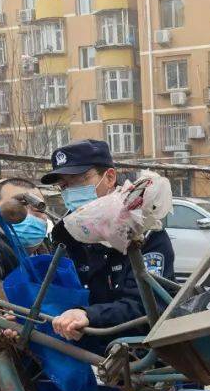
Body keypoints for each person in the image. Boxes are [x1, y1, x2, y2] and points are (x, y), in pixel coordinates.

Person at [40, 139, 175, 343]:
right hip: (82, 347)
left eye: (78, 181)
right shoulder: (66, 234)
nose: (70, 192)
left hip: (136, 353)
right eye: (64, 186)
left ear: (109, 177)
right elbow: (57, 291)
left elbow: (146, 306)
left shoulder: (143, 230)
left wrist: (88, 315)